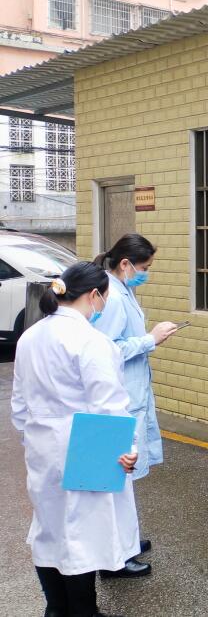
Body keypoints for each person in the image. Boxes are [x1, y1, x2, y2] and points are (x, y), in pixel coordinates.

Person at [11, 262, 140, 617]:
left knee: (49, 527)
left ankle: (55, 608)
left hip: (41, 444)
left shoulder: (30, 336)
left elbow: (19, 404)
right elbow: (109, 406)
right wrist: (127, 450)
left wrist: (33, 438)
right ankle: (83, 610)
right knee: (82, 533)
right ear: (95, 295)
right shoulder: (91, 341)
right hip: (87, 444)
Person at [93, 233, 178, 578]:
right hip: (120, 398)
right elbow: (106, 349)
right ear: (125, 264)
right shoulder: (112, 296)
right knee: (118, 479)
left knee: (124, 482)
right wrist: (149, 339)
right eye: (144, 267)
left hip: (131, 393)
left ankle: (125, 542)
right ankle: (115, 556)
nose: (146, 273)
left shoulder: (122, 289)